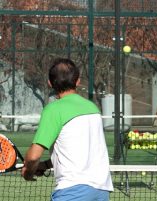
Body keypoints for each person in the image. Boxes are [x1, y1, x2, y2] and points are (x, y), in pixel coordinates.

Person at [21, 58, 113, 201]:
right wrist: (45, 165)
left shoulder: (54, 110)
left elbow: (33, 156)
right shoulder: (93, 108)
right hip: (101, 191)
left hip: (72, 191)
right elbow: (79, 152)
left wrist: (28, 172)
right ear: (77, 81)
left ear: (50, 83)